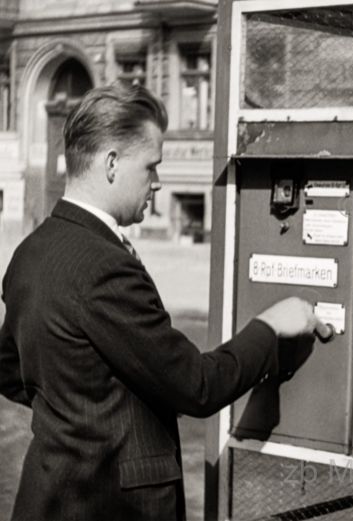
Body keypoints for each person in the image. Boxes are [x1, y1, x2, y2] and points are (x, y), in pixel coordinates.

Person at [0, 83, 321, 521]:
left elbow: (9, 369)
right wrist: (271, 324)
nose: (158, 181)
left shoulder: (31, 251)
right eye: (151, 166)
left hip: (49, 494)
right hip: (110, 505)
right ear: (111, 163)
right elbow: (197, 386)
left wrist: (78, 414)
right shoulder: (103, 267)